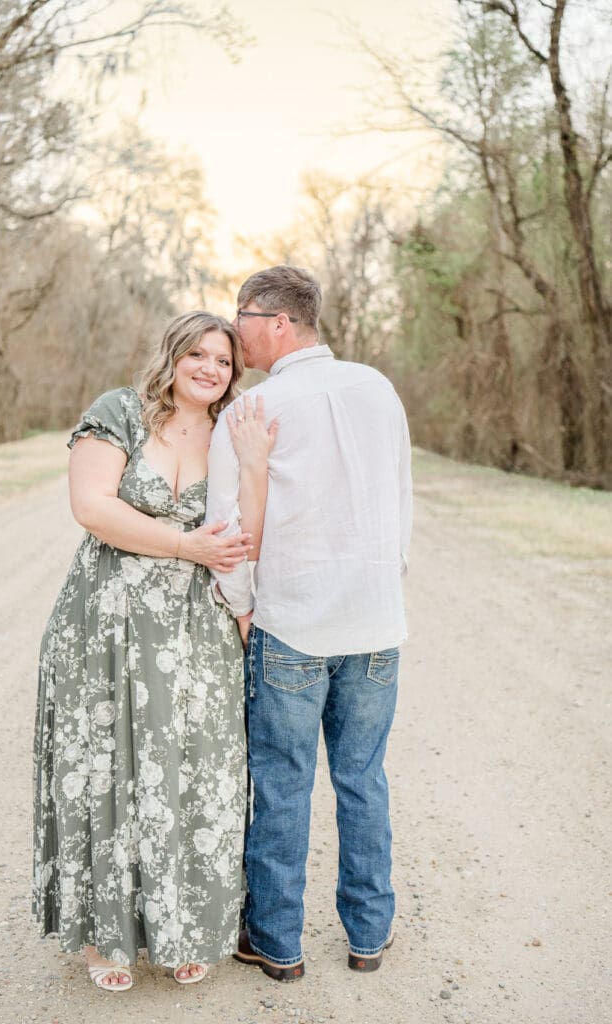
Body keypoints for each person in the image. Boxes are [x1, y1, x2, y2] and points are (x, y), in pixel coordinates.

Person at [32, 311, 275, 991]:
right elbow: (93, 507)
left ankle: (185, 923)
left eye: (223, 360)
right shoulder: (119, 411)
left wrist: (252, 471)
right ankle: (106, 938)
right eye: (197, 353)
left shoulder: (230, 433)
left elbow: (243, 537)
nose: (209, 368)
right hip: (105, 623)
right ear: (172, 355)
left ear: (234, 373)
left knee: (192, 771)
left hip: (198, 629)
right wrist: (185, 545)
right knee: (106, 769)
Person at [205, 266, 412, 982]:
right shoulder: (376, 389)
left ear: (278, 322)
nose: (235, 330)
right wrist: (390, 580)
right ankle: (368, 937)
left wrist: (239, 606)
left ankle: (277, 945)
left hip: (291, 620)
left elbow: (226, 525)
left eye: (243, 316)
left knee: (285, 782)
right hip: (376, 620)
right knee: (363, 778)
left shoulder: (252, 410)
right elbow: (402, 497)